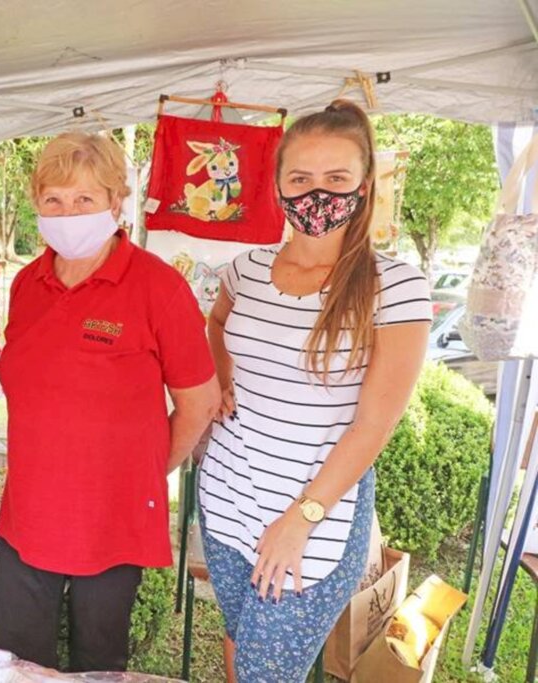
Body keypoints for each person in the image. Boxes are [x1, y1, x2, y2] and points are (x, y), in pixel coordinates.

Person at [199, 99, 432, 682]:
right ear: (276, 185)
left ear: (364, 184)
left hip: (313, 521)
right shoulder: (245, 268)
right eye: (300, 179)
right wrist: (221, 372)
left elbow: (373, 425)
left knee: (266, 672)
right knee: (238, 639)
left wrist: (300, 520)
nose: (316, 195)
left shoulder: (395, 286)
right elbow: (217, 324)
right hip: (225, 497)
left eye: (336, 179)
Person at [0, 132, 221, 672]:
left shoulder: (158, 287)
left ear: (116, 202)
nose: (67, 213)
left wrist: (145, 470)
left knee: (98, 663)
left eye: (84, 200)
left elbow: (200, 400)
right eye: (53, 200)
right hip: (28, 514)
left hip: (110, 518)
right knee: (16, 663)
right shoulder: (27, 284)